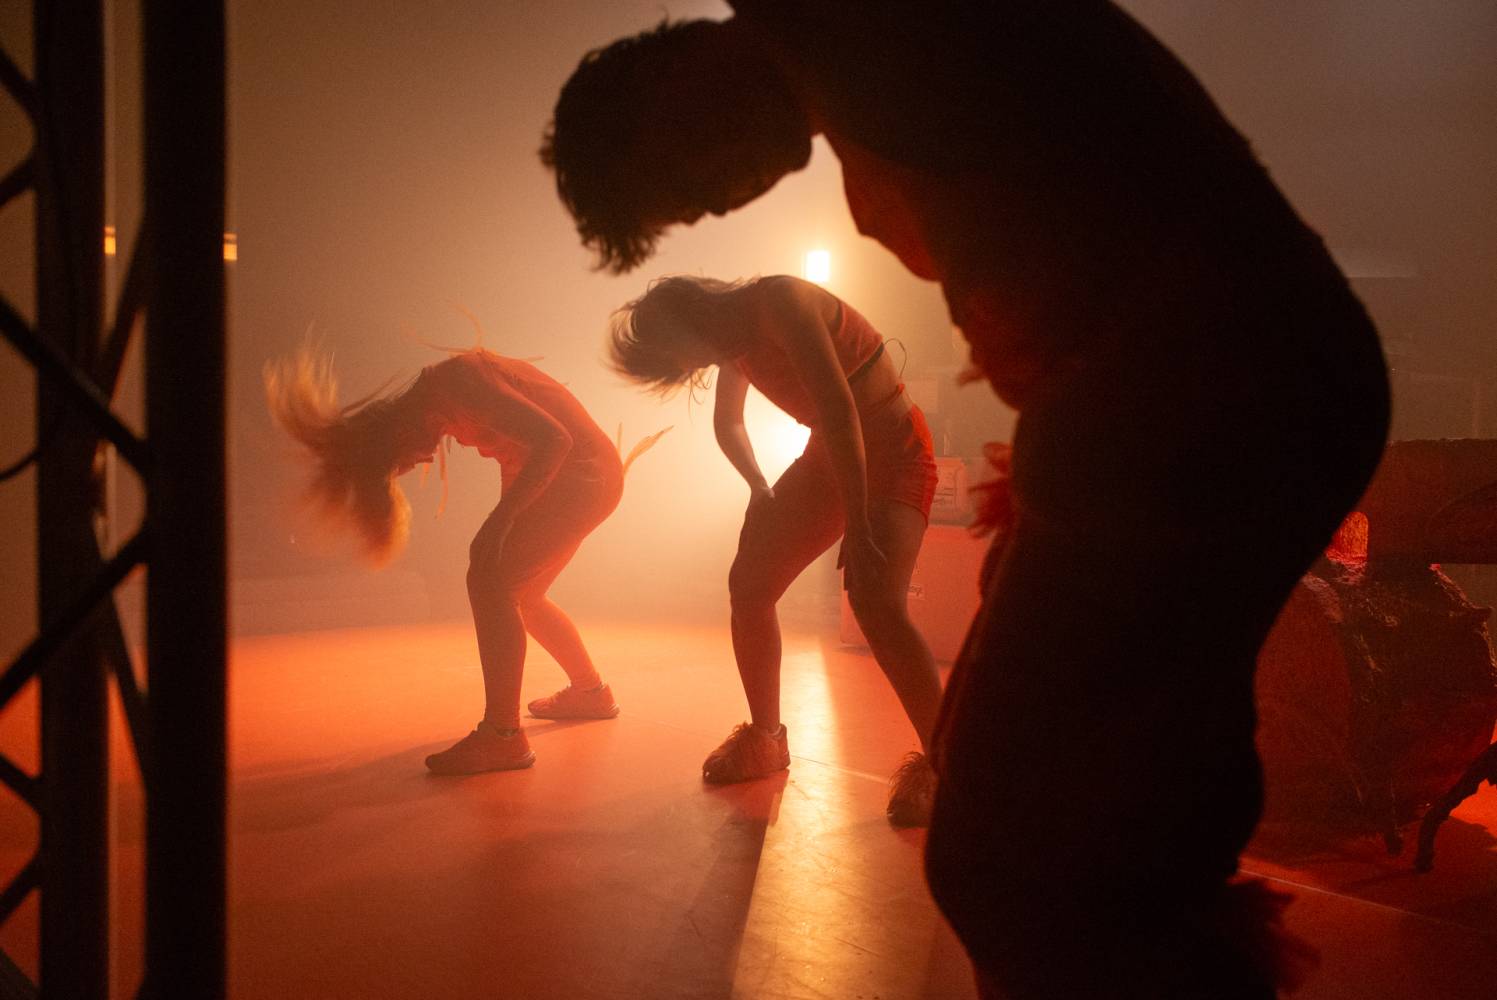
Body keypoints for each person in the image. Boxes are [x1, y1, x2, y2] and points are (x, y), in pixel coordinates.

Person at [543, 4, 1390, 998]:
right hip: (1155, 404)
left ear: (669, 87)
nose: (721, 202)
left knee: (1014, 842)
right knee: (1056, 825)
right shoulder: (843, 83)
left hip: (1213, 393)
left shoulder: (847, 24)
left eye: (689, 183)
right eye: (695, 210)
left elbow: (856, 406)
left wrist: (875, 510)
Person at [610, 273, 941, 826]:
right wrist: (760, 489)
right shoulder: (732, 341)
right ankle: (766, 740)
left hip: (893, 449)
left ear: (691, 323)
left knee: (876, 602)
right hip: (829, 456)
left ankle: (946, 761)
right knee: (749, 585)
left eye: (678, 358)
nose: (689, 369)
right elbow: (728, 422)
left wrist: (859, 521)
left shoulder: (781, 303)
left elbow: (839, 408)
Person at [265, 346, 628, 775]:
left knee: (491, 583)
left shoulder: (460, 381)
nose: (421, 461)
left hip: (583, 477)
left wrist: (500, 522)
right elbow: (519, 453)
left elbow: (554, 440)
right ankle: (590, 693)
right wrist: (506, 521)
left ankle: (503, 736)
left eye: (400, 463)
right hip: (584, 478)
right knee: (521, 594)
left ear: (395, 435)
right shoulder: (445, 400)